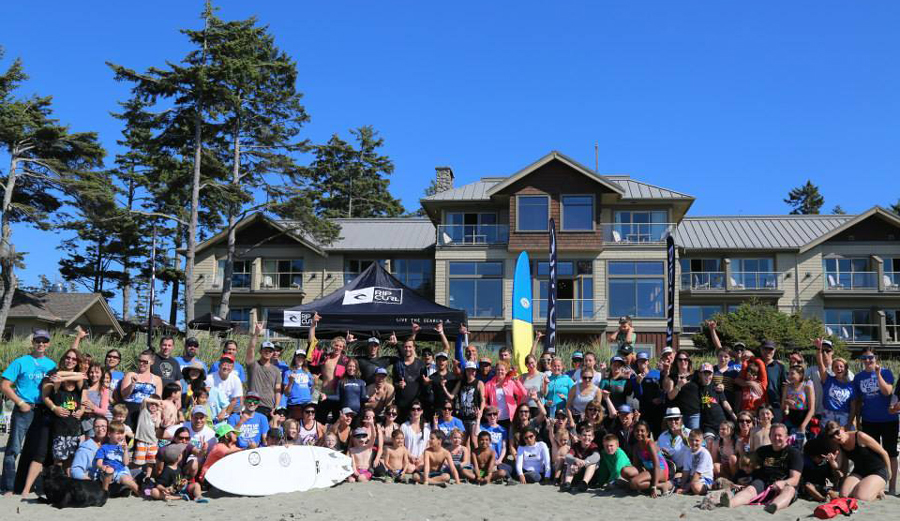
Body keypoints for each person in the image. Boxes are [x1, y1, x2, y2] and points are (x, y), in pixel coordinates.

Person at [1, 329, 57, 494]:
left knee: (32, 451)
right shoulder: (21, 362)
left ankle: (23, 485)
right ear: (33, 342)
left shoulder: (51, 365)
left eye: (44, 341)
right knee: (13, 449)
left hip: (42, 411)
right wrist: (19, 402)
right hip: (24, 410)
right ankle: (8, 487)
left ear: (48, 344)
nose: (41, 344)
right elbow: (4, 385)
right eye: (38, 341)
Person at [719, 423, 802, 514]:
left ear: (786, 437)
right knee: (750, 489)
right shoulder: (762, 451)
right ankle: (731, 503)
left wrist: (783, 483)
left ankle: (774, 506)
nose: (776, 438)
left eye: (779, 435)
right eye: (774, 435)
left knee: (789, 490)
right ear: (769, 436)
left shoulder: (794, 454)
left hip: (783, 485)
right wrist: (738, 479)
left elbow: (795, 479)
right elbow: (749, 466)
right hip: (763, 482)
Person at [851, 347, 898, 494]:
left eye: (870, 357)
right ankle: (877, 486)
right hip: (869, 420)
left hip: (888, 420)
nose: (868, 361)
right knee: (873, 454)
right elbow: (858, 401)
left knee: (891, 453)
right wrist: (857, 421)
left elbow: (887, 392)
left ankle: (891, 486)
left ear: (876, 358)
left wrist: (877, 375)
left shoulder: (886, 372)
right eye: (864, 358)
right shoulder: (858, 378)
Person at [824, 421, 891, 501]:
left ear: (842, 429)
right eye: (831, 436)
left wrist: (889, 471)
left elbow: (883, 452)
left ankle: (877, 490)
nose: (836, 437)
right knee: (844, 495)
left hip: (877, 470)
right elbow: (838, 465)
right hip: (859, 471)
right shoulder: (839, 444)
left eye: (837, 432)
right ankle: (869, 487)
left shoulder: (860, 436)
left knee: (860, 497)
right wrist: (832, 462)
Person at [46, 369, 85, 467]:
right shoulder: (58, 391)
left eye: (73, 382)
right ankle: (56, 480)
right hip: (60, 432)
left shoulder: (77, 393)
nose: (70, 384)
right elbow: (57, 375)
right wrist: (62, 379)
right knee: (58, 460)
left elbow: (81, 377)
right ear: (62, 383)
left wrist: (66, 378)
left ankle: (68, 480)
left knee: (71, 460)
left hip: (74, 432)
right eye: (67, 382)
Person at [813, 338, 854, 427]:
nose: (839, 368)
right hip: (828, 416)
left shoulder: (851, 385)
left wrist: (851, 422)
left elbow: (853, 407)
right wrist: (818, 349)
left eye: (841, 366)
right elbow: (820, 364)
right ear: (833, 369)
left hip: (844, 418)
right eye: (836, 367)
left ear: (846, 368)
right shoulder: (828, 380)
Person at [244, 323, 282, 418]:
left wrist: (276, 406)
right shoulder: (253, 365)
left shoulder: (276, 370)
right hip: (253, 405)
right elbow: (251, 349)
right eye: (265, 350)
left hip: (269, 407)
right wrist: (256, 333)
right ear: (260, 351)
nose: (267, 352)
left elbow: (277, 391)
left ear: (273, 353)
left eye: (270, 351)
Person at [625, 420, 671, 497]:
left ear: (647, 432)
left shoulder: (650, 444)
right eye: (637, 431)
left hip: (661, 470)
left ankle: (661, 485)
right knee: (624, 471)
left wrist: (654, 487)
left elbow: (657, 466)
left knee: (634, 483)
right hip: (649, 470)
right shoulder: (636, 446)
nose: (639, 433)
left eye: (642, 431)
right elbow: (636, 465)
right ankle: (639, 485)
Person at [121, 349, 163, 430]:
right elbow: (124, 395)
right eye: (139, 361)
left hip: (147, 411)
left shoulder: (157, 379)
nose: (141, 363)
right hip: (130, 409)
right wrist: (132, 385)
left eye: (145, 361)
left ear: (152, 362)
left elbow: (158, 399)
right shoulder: (131, 375)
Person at [94, 420, 139, 496]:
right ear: (109, 434)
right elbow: (98, 463)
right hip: (107, 473)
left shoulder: (122, 447)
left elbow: (126, 463)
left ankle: (141, 494)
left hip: (120, 471)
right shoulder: (104, 448)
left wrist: (125, 451)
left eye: (122, 433)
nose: (120, 436)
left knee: (130, 482)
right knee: (110, 470)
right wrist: (102, 467)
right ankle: (105, 492)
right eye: (117, 433)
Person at [393, 326, 427, 422]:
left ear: (414, 348)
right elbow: (393, 383)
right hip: (401, 406)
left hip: (415, 408)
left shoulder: (421, 364)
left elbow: (424, 386)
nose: (407, 349)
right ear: (403, 348)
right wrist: (398, 385)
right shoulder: (398, 364)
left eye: (410, 347)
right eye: (405, 347)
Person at [697, 362, 736, 438]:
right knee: (709, 441)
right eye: (705, 373)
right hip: (707, 425)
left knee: (724, 442)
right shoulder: (696, 388)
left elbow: (725, 403)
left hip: (721, 421)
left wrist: (734, 416)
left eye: (710, 374)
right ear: (700, 374)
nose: (707, 376)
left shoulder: (716, 387)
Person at [484, 360, 526, 429]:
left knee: (510, 439)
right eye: (498, 370)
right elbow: (484, 398)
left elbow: (524, 393)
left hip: (510, 418)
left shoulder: (510, 382)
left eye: (502, 370)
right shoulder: (489, 384)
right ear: (495, 371)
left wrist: (517, 382)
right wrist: (488, 407)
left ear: (506, 371)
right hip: (495, 418)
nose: (500, 371)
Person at [664, 353, 701, 429]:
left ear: (689, 361)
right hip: (678, 416)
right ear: (676, 362)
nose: (683, 361)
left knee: (693, 438)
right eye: (680, 360)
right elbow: (670, 396)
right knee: (679, 439)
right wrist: (678, 385)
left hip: (694, 414)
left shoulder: (696, 375)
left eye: (685, 359)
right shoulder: (672, 377)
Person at [562, 421, 600, 492]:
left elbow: (596, 456)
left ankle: (584, 483)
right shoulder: (576, 446)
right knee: (570, 462)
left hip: (589, 475)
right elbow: (567, 456)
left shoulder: (593, 446)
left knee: (593, 463)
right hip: (576, 471)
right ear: (579, 436)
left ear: (593, 437)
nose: (586, 437)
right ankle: (567, 483)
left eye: (589, 435)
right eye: (584, 435)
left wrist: (584, 462)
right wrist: (576, 460)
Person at [782, 364, 815, 446]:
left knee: (803, 446)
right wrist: (786, 402)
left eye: (792, 374)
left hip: (803, 419)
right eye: (788, 374)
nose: (789, 376)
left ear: (800, 375)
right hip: (790, 419)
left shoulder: (807, 387)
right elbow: (782, 406)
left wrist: (803, 425)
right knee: (789, 445)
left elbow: (812, 409)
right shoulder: (787, 387)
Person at [205, 354, 243, 422]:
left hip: (227, 411)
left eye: (229, 365)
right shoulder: (209, 378)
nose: (226, 367)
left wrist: (225, 414)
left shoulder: (236, 379)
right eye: (224, 364)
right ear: (219, 365)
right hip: (210, 410)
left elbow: (234, 400)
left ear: (232, 368)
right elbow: (204, 397)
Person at [759, 340, 788, 423]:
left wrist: (784, 405)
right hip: (757, 404)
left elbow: (784, 386)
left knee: (775, 429)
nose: (768, 351)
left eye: (771, 349)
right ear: (761, 349)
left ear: (774, 350)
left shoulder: (780, 366)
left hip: (775, 404)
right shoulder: (755, 364)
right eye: (765, 349)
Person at [678, 429, 713, 495]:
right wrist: (681, 486)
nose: (694, 443)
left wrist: (685, 489)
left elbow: (698, 474)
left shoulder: (704, 453)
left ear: (702, 441)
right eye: (691, 440)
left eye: (697, 440)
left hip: (704, 478)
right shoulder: (687, 452)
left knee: (695, 487)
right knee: (674, 481)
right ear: (688, 440)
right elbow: (686, 471)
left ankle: (705, 488)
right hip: (691, 477)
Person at [478, 405, 511, 476]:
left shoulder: (503, 429)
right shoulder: (482, 427)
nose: (492, 416)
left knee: (503, 471)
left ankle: (487, 475)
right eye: (489, 414)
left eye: (494, 414)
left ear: (497, 415)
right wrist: (478, 419)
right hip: (484, 459)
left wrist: (500, 460)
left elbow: (504, 447)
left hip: (496, 460)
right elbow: (475, 434)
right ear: (486, 416)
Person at [658, 407, 692, 474]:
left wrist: (682, 436)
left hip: (686, 471)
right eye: (670, 419)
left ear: (681, 419)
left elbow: (692, 449)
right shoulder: (662, 437)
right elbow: (659, 457)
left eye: (676, 418)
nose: (673, 422)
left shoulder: (689, 433)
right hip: (668, 470)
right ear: (666, 421)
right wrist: (664, 455)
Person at [284, 347, 315, 419]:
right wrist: (291, 381)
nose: (300, 359)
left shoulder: (308, 373)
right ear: (294, 358)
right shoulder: (288, 372)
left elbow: (311, 391)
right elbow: (286, 392)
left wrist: (314, 384)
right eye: (298, 357)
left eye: (302, 358)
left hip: (307, 403)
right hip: (295, 404)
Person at [400, 400, 431, 471]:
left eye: (418, 409)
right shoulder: (404, 426)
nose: (416, 411)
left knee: (421, 467)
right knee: (410, 469)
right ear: (410, 411)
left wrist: (421, 457)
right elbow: (401, 445)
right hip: (408, 458)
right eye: (413, 409)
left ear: (422, 411)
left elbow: (428, 444)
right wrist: (410, 456)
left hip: (422, 459)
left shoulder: (427, 426)